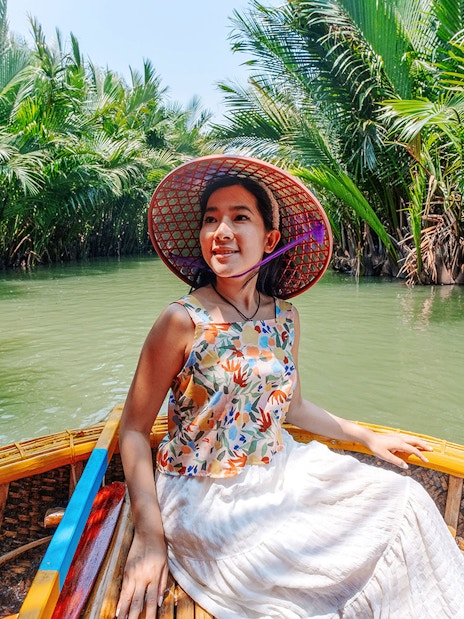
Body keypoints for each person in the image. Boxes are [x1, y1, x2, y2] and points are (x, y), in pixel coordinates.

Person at [116, 155, 464, 619]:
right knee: (301, 575)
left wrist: (366, 436)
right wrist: (149, 534)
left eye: (240, 217)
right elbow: (135, 430)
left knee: (407, 503)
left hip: (280, 469)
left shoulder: (284, 317)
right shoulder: (181, 320)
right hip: (205, 493)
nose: (222, 231)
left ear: (270, 238)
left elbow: (292, 407)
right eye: (211, 219)